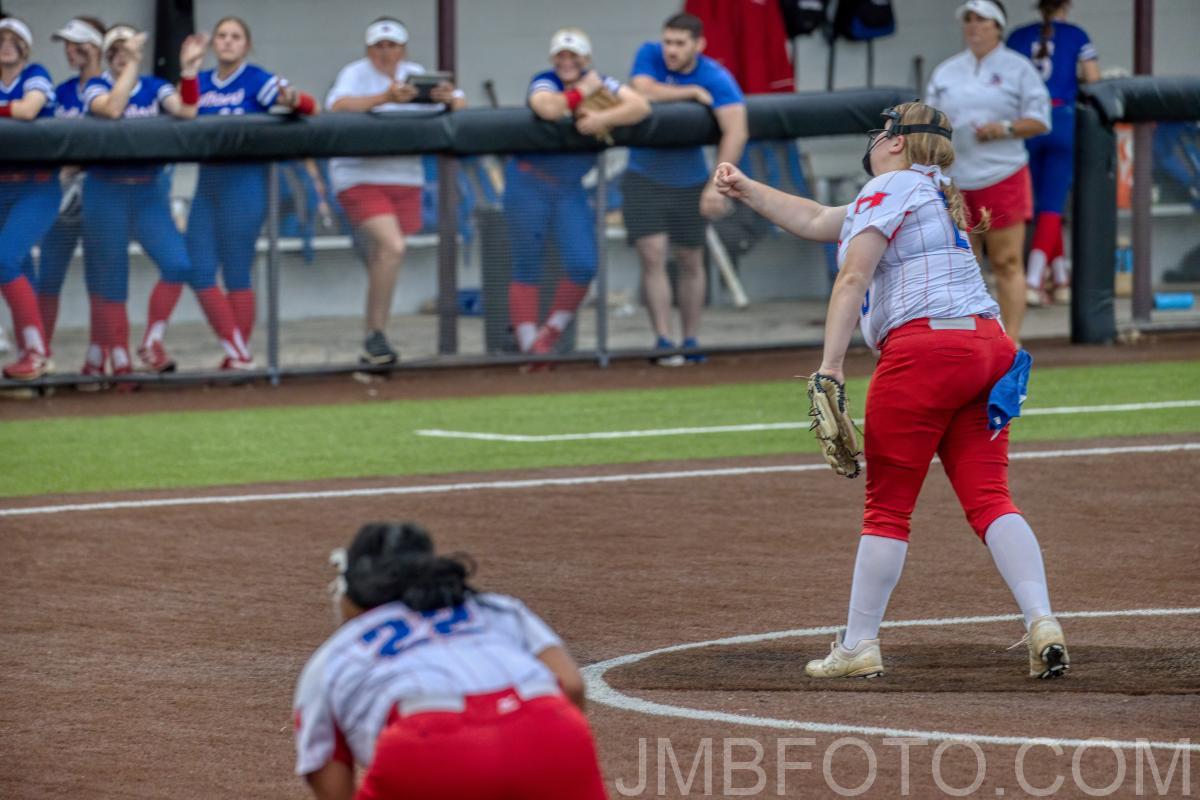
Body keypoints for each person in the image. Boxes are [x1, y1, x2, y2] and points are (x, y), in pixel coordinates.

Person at [713, 101, 1069, 681]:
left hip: (927, 351)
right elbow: (816, 218)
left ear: (899, 141)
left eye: (883, 131)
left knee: (887, 509)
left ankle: (858, 645)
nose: (875, 140)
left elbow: (853, 276)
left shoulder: (891, 185)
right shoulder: (930, 190)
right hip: (990, 349)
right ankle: (1042, 621)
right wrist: (748, 189)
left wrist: (830, 365)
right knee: (990, 499)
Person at [293, 521, 607, 799]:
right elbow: (571, 685)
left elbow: (325, 767)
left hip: (426, 744)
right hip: (548, 728)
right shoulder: (495, 608)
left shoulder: (335, 654)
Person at [83, 24, 254, 380]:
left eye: (128, 50)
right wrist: (131, 64)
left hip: (146, 191)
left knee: (178, 264)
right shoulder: (96, 86)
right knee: (113, 281)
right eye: (117, 51)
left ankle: (151, 343)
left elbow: (188, 111)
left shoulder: (154, 86)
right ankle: (121, 366)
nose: (123, 57)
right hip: (106, 191)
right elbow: (113, 108)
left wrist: (189, 71)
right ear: (108, 56)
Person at [326, 18, 466, 368]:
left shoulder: (415, 74)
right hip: (359, 175)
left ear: (403, 49)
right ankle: (376, 334)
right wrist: (384, 98)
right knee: (392, 247)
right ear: (369, 49)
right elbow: (336, 106)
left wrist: (446, 98)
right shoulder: (355, 73)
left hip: (404, 178)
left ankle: (374, 340)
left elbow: (460, 104)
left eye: (392, 46)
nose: (386, 53)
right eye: (379, 46)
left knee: (384, 256)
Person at [506, 28, 650, 362]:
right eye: (561, 56)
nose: (567, 62)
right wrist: (581, 92)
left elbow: (640, 106)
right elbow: (547, 108)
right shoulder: (546, 80)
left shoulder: (601, 81)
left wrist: (602, 116)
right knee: (527, 264)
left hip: (567, 187)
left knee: (583, 263)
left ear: (586, 59)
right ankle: (529, 348)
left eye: (574, 56)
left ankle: (548, 336)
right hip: (528, 182)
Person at [187, 16, 318, 363]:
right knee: (197, 269)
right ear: (213, 43)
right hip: (207, 184)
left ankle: (236, 357)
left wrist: (293, 98)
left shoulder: (255, 79)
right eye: (222, 35)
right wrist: (187, 70)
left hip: (244, 184)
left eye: (236, 36)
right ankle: (240, 353)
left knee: (236, 272)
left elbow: (308, 105)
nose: (228, 41)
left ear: (247, 45)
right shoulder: (201, 81)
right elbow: (181, 110)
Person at [926, 0, 1050, 346]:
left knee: (1006, 261)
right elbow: (929, 122)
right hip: (955, 179)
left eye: (982, 20)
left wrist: (1005, 128)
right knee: (961, 265)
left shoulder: (1018, 68)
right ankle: (970, 340)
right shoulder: (946, 71)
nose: (974, 26)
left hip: (1002, 174)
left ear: (998, 27)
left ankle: (1011, 342)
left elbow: (1040, 120)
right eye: (969, 20)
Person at [626, 12, 747, 364]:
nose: (671, 50)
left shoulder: (715, 76)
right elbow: (641, 88)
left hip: (690, 180)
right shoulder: (649, 54)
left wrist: (715, 186)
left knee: (690, 258)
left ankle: (690, 340)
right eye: (668, 41)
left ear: (699, 45)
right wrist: (691, 92)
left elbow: (736, 130)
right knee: (652, 255)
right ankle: (664, 341)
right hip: (643, 176)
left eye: (680, 43)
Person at [1007, 0, 1100, 307]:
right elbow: (1093, 77)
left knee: (1042, 203)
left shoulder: (1018, 36)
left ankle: (1060, 278)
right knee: (1052, 204)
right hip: (1061, 119)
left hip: (1026, 124)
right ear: (1067, 5)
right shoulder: (1076, 34)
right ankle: (1034, 281)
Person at [30, 17, 105, 371]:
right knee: (49, 277)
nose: (69, 51)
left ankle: (99, 361)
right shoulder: (61, 92)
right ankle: (39, 357)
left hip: (104, 194)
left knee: (103, 278)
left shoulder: (116, 88)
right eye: (67, 45)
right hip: (62, 195)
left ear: (95, 47)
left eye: (77, 44)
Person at [0, 16, 58, 381]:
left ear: (25, 47)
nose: (6, 45)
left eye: (13, 39)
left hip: (37, 186)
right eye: (0, 39)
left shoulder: (36, 73)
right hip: (2, 187)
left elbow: (27, 109)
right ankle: (33, 358)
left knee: (4, 260)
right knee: (20, 269)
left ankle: (36, 353)